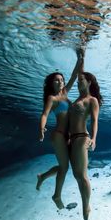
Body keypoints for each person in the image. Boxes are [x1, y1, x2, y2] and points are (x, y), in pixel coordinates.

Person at [37, 49, 83, 209]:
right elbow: (44, 114)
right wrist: (42, 128)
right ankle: (56, 195)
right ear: (51, 83)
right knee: (64, 167)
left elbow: (74, 76)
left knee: (64, 166)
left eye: (61, 80)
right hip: (58, 135)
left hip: (68, 136)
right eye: (56, 80)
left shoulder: (65, 93)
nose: (60, 82)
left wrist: (80, 58)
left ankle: (42, 176)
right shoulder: (52, 98)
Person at [68, 53, 102, 220]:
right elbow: (79, 73)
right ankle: (84, 202)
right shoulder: (77, 99)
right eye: (78, 80)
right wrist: (81, 56)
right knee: (76, 175)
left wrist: (94, 139)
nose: (78, 82)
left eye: (81, 81)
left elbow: (95, 121)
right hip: (71, 139)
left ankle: (86, 205)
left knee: (82, 175)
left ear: (88, 82)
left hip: (82, 138)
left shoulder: (91, 100)